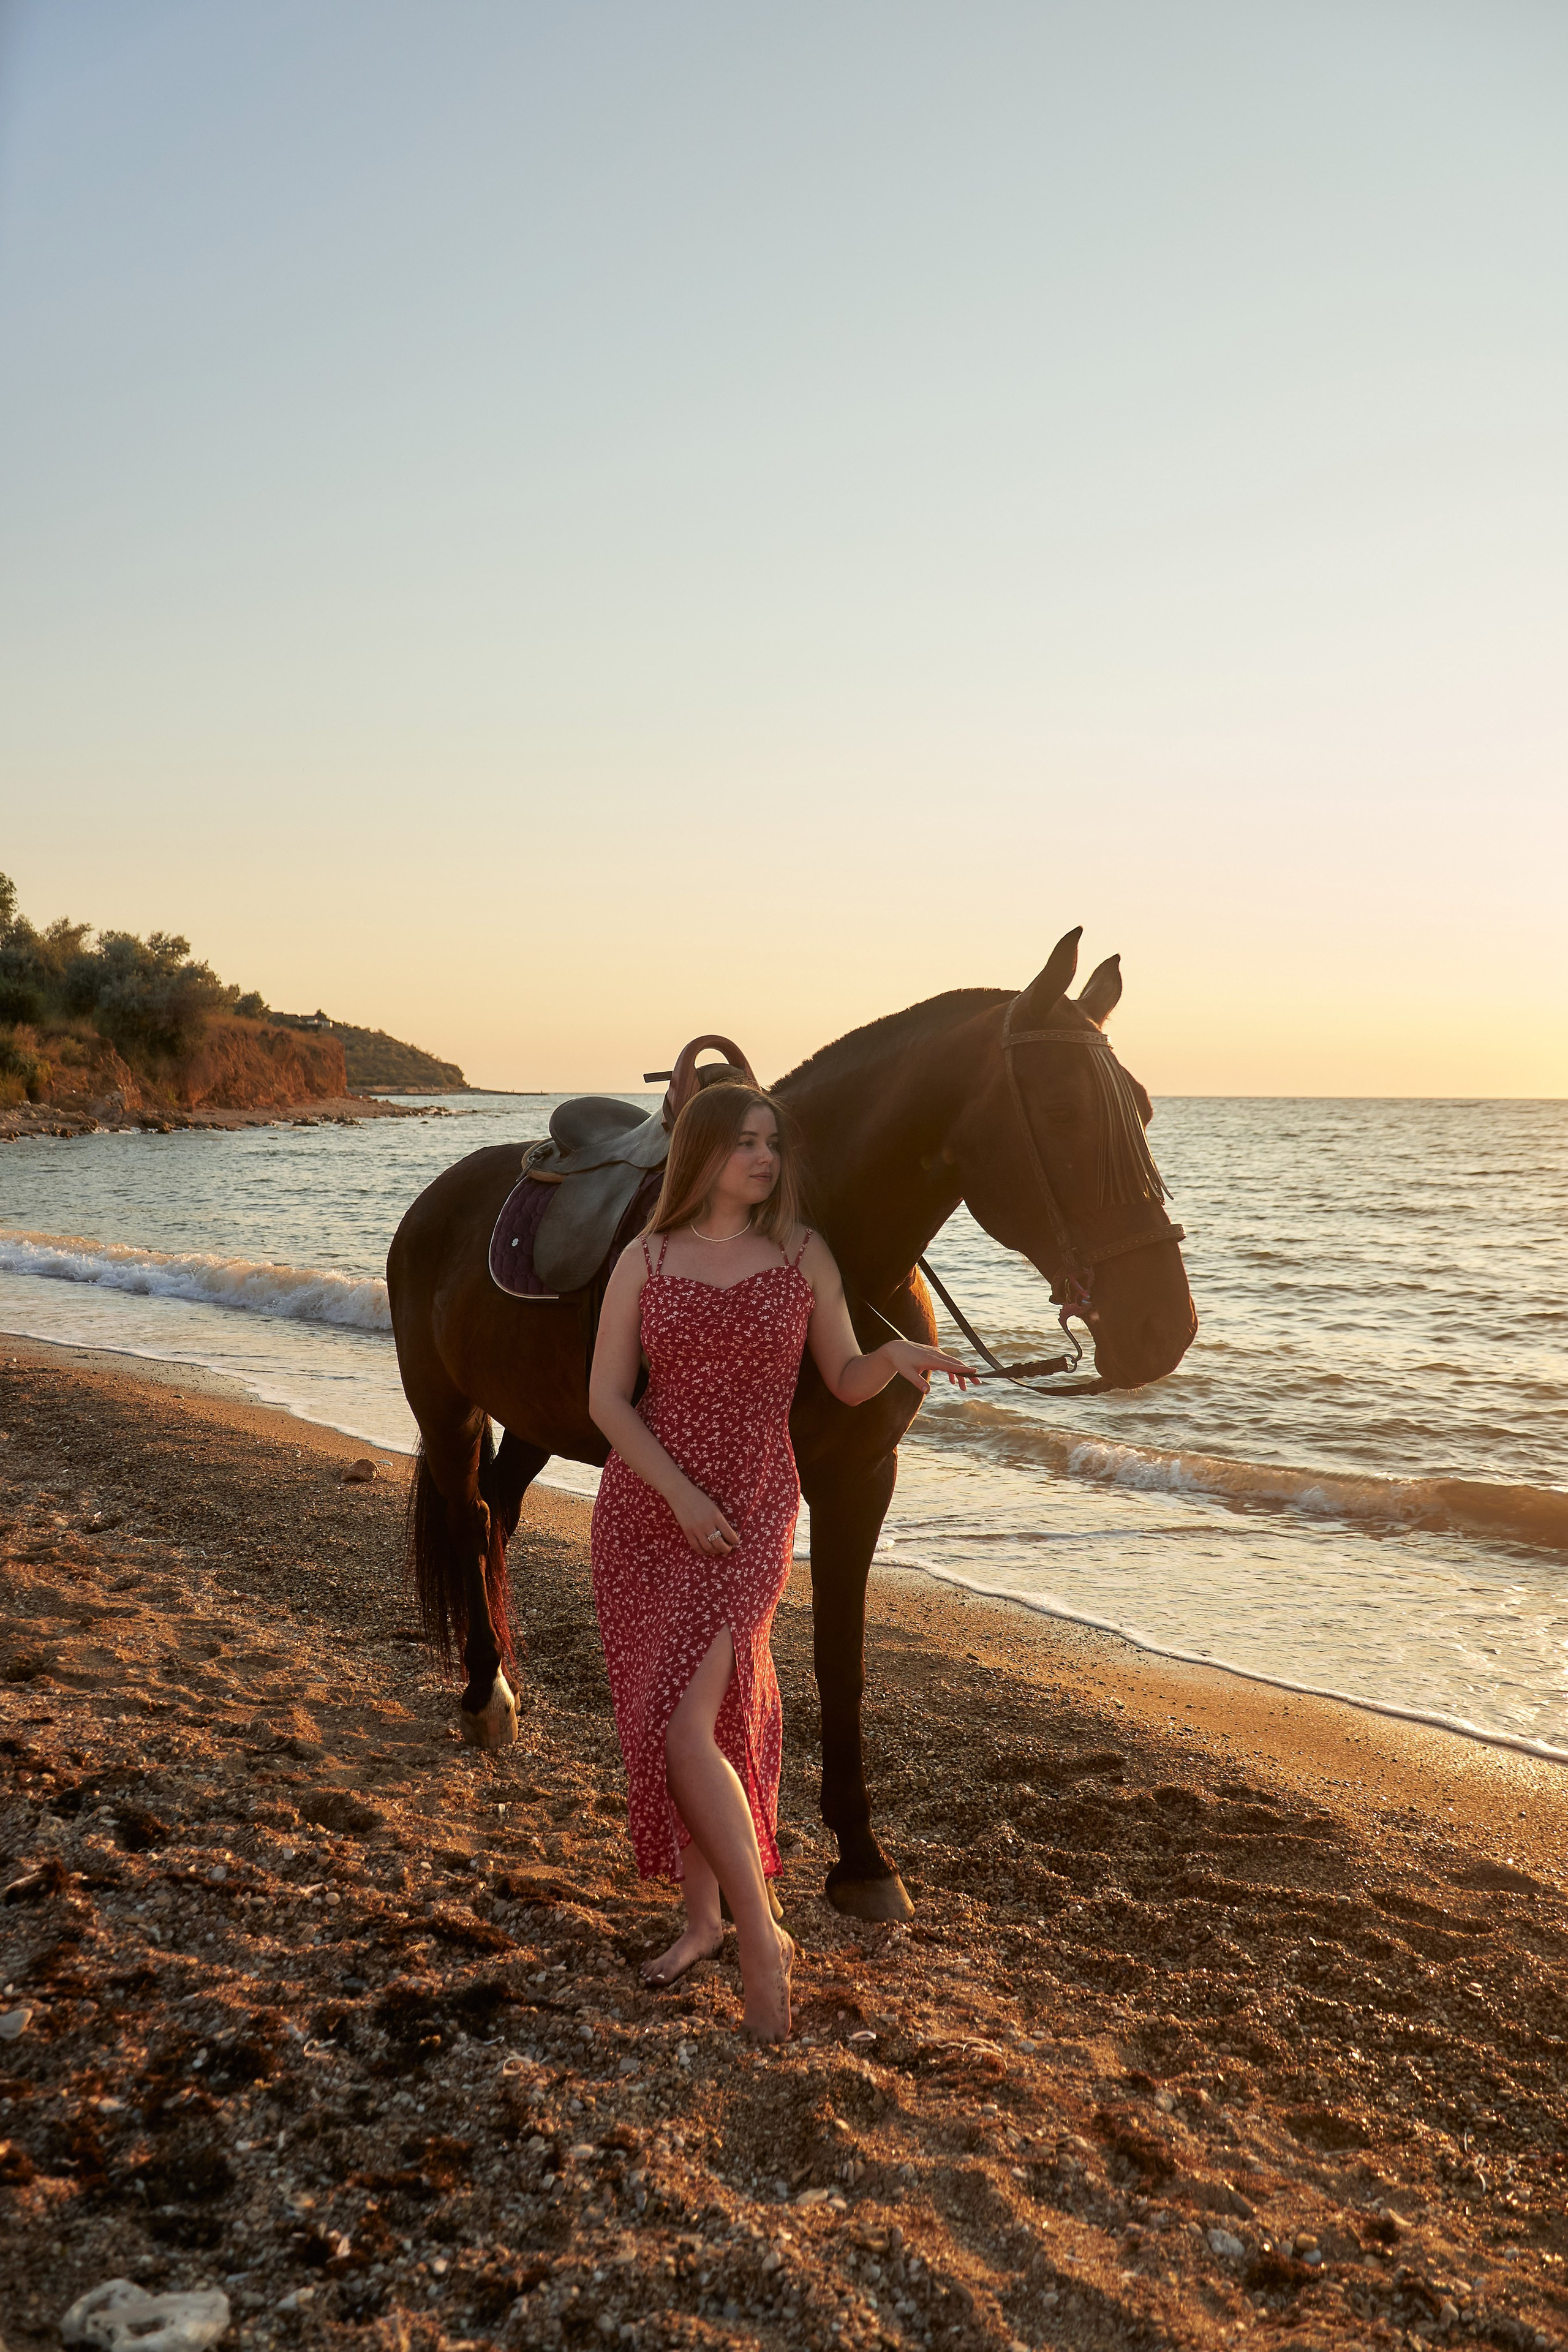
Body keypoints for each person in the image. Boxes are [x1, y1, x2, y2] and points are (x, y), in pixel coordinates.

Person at [587, 1082, 974, 2041]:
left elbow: (843, 1377)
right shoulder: (646, 1257)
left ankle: (762, 1939)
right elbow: (606, 1401)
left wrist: (900, 1361)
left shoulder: (803, 1253)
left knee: (689, 1721)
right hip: (650, 1505)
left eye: (773, 1144)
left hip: (752, 1507)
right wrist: (676, 1494)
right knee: (678, 1717)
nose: (764, 1159)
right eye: (745, 1143)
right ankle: (702, 1925)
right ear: (703, 1153)